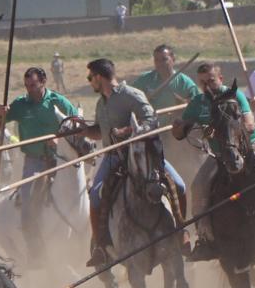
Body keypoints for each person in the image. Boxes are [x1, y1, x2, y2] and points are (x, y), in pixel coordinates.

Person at [74, 58, 185, 268]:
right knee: (96, 196)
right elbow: (101, 133)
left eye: (91, 78)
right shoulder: (101, 103)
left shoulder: (131, 95)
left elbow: (151, 120)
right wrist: (85, 131)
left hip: (140, 154)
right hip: (113, 157)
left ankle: (181, 233)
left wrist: (128, 130)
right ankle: (100, 246)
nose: (90, 82)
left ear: (99, 77)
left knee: (179, 185)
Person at [173, 63, 255, 262]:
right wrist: (179, 126)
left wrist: (225, 127)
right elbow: (178, 133)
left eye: (211, 80)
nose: (207, 85)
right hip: (219, 156)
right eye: (203, 82)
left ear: (220, 77)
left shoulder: (236, 95)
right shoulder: (198, 103)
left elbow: (250, 125)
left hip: (252, 149)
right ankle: (204, 238)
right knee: (198, 187)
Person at [0, 67, 79, 251]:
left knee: (82, 190)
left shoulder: (58, 102)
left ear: (43, 81)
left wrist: (59, 138)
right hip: (34, 160)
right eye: (27, 86)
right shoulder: (20, 104)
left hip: (61, 159)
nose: (30, 89)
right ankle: (33, 244)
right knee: (27, 197)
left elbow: (76, 125)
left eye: (33, 85)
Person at [129, 44, 199, 110]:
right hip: (151, 122)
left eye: (164, 59)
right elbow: (129, 99)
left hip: (175, 122)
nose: (160, 63)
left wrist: (184, 103)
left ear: (173, 59)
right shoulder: (144, 80)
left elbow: (197, 107)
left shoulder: (186, 84)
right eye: (157, 60)